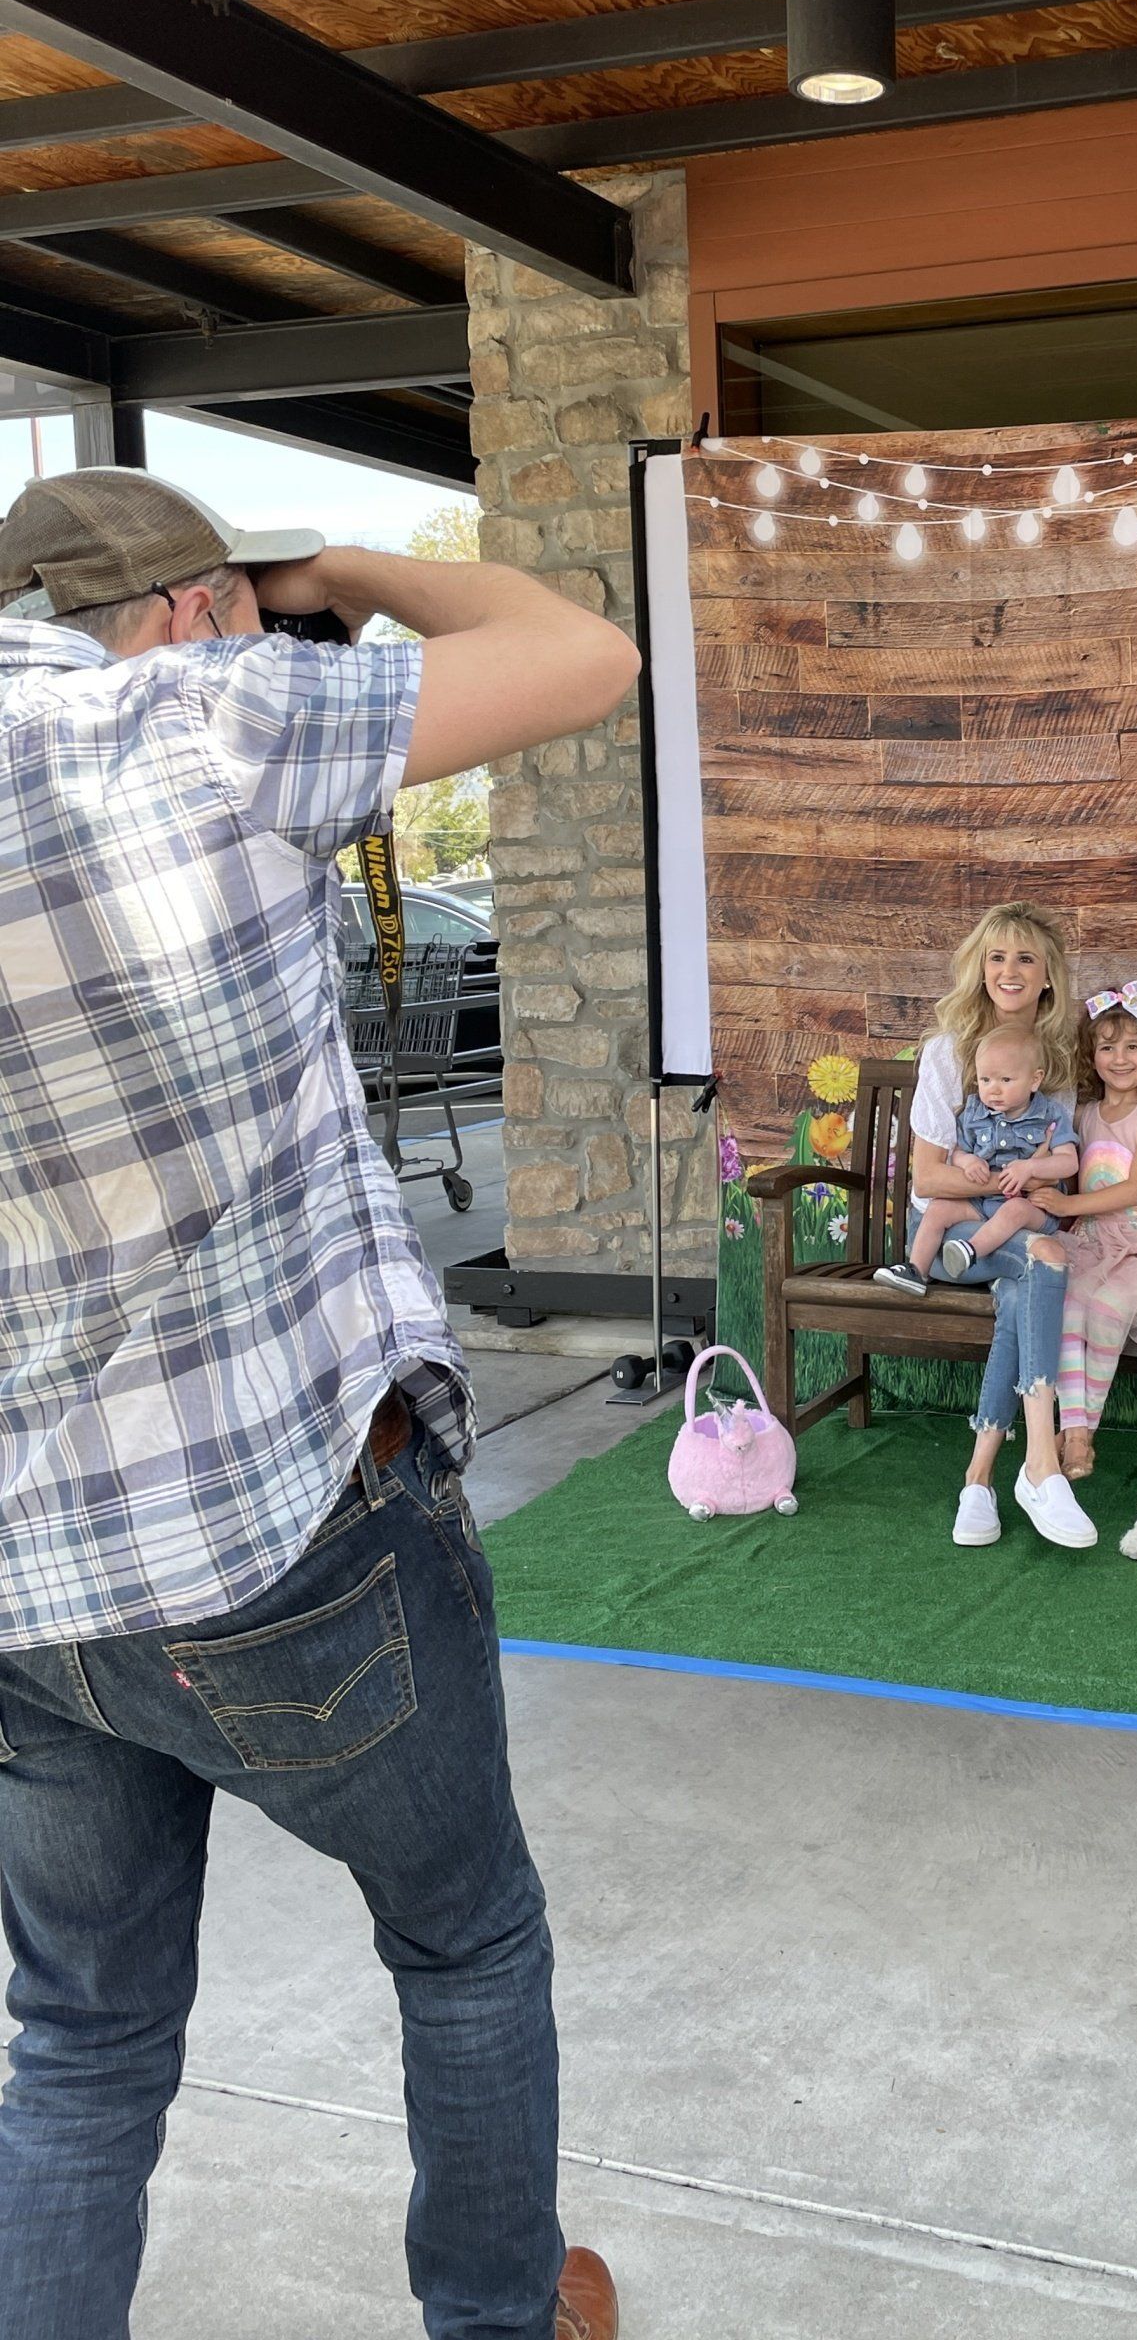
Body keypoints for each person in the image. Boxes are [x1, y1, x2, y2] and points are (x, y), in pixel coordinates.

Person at [0, 469, 635, 2340]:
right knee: (467, 1947)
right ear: (196, 610)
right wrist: (338, 571)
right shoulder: (196, 711)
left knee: (81, 2052)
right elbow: (578, 653)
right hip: (289, 1525)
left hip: (32, 1579)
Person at [903, 904, 1097, 1552]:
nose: (1008, 971)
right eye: (996, 957)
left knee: (1032, 1268)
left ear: (1047, 977)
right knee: (1043, 1256)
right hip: (950, 1232)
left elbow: (1058, 1178)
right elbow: (930, 1178)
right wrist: (1006, 1183)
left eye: (1024, 959)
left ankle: (980, 1477)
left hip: (1010, 1227)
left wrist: (1022, 1186)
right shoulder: (947, 1052)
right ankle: (1039, 1466)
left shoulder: (1057, 1064)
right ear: (979, 969)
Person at [1033, 991, 1137, 1483]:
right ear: (1090, 1056)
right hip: (1091, 1241)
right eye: (1108, 1048)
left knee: (1108, 1314)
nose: (1121, 1059)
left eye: (1134, 1047)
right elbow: (1069, 1172)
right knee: (1069, 1309)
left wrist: (1067, 1206)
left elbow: (1136, 1188)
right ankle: (1077, 1435)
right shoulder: (1086, 1116)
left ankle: (1077, 1433)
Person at [873, 1022, 1078, 1292]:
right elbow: (956, 1152)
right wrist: (966, 1162)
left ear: (1035, 1080)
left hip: (1031, 1207)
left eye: (1006, 1080)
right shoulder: (973, 1114)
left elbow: (1068, 1162)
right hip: (980, 1204)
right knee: (939, 1208)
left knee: (1013, 1210)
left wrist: (1031, 1168)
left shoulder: (1049, 1115)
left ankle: (969, 1251)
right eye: (985, 1080)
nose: (994, 1089)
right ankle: (916, 1272)